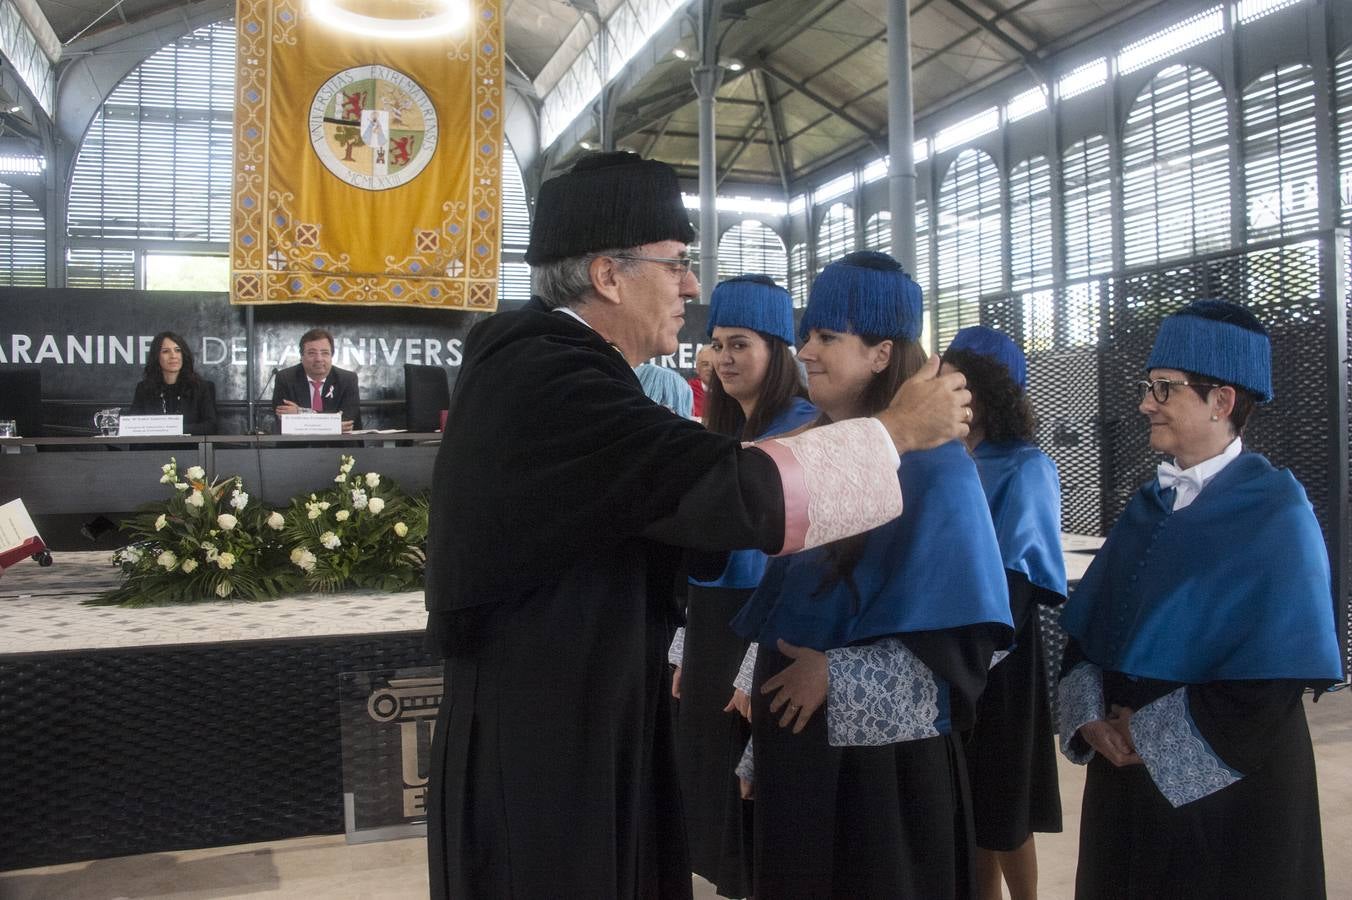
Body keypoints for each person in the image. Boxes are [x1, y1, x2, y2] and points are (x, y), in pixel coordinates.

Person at [421, 153, 975, 900]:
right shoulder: (553, 379)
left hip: (568, 715)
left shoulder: (551, 366)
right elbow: (732, 490)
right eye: (677, 264)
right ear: (608, 276)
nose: (691, 288)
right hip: (550, 740)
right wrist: (898, 432)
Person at [729, 251, 1013, 898]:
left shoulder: (939, 471)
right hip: (800, 754)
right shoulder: (821, 453)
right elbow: (782, 605)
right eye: (807, 335)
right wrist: (760, 747)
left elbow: (962, 650)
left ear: (883, 354)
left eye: (828, 337)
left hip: (881, 779)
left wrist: (836, 674)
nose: (807, 351)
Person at [1056, 299, 1344, 899]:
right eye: (1148, 386)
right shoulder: (1146, 505)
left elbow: (1269, 685)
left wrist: (1149, 734)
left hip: (1226, 792)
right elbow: (1089, 633)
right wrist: (1091, 713)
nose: (1144, 404)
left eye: (1164, 389)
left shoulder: (1277, 515)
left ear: (1222, 401)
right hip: (1123, 775)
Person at [668, 274, 816, 898]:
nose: (724, 360)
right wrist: (683, 646)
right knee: (713, 796)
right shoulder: (723, 431)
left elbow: (809, 565)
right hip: (711, 629)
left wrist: (751, 663)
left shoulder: (807, 430)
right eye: (718, 345)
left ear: (777, 351)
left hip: (762, 634)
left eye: (741, 345)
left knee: (756, 802)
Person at [944, 325, 1066, 900]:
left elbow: (1021, 571)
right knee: (966, 804)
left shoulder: (1025, 465)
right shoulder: (943, 457)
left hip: (1001, 654)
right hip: (945, 650)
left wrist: (975, 657)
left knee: (1003, 803)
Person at [272, 328, 362, 431]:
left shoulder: (348, 379)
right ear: (302, 356)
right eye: (312, 353)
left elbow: (346, 422)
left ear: (331, 355)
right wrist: (332, 425)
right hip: (298, 445)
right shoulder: (285, 378)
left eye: (325, 353)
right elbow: (285, 421)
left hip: (339, 445)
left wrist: (301, 413)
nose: (319, 359)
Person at [129, 331, 218, 435]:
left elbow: (211, 426)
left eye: (178, 350)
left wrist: (173, 429)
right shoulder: (144, 389)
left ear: (184, 354)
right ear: (156, 357)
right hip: (155, 449)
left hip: (190, 449)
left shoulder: (201, 387)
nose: (173, 356)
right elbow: (133, 427)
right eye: (166, 351)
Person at [689, 345, 715, 419]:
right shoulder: (686, 391)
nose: (710, 368)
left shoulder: (732, 391)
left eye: (714, 365)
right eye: (705, 364)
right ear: (697, 368)